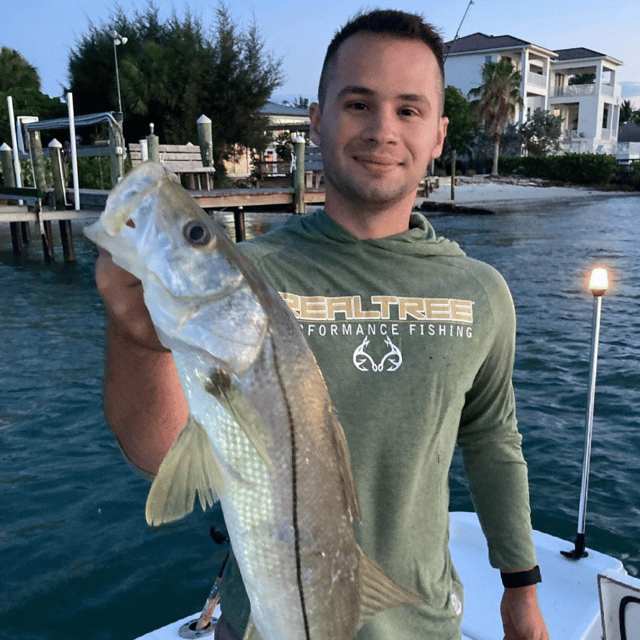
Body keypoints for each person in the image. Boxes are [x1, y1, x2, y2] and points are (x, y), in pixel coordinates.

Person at [95, 9, 549, 640]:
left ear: (440, 134)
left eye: (409, 110)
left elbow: (494, 441)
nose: (383, 130)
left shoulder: (482, 293)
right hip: (264, 620)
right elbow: (157, 451)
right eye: (358, 103)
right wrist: (137, 338)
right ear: (317, 120)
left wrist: (520, 594)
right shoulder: (246, 281)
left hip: (426, 625)